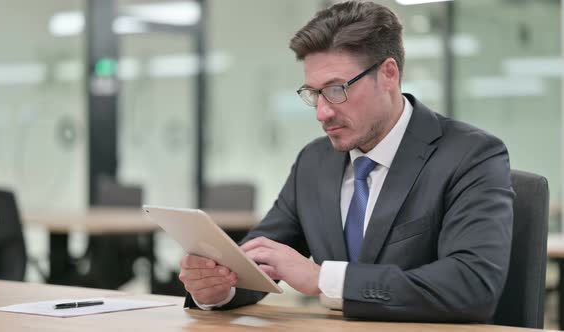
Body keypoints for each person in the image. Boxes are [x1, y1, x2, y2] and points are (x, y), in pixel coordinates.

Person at [179, 0, 514, 322]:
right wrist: (216, 288)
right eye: (314, 94)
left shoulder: (470, 155)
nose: (322, 112)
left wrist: (325, 279)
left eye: (337, 89)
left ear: (389, 74)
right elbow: (259, 260)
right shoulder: (314, 161)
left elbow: (472, 285)